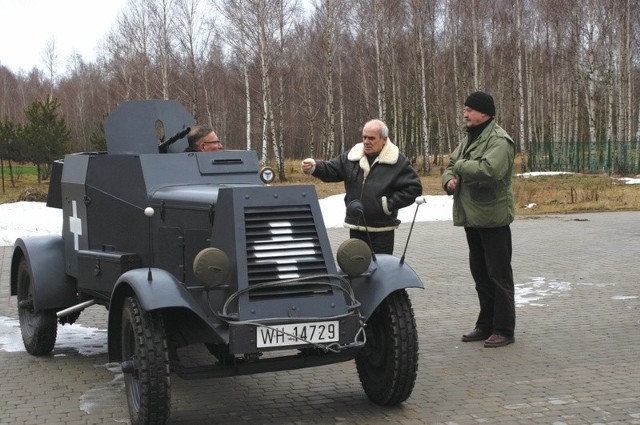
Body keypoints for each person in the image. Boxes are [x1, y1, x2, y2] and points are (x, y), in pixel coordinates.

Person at [442, 91, 516, 348]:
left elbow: (490, 170)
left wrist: (460, 168)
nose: (465, 113)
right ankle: (485, 325)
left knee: (499, 276)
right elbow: (451, 163)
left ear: (484, 113)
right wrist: (448, 180)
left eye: (469, 109)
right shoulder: (470, 138)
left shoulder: (499, 140)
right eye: (465, 109)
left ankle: (504, 329)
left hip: (493, 219)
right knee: (481, 276)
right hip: (473, 218)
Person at [302, 119, 422, 255]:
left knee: (380, 271)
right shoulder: (352, 156)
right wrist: (315, 167)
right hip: (356, 226)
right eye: (364, 137)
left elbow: (414, 188)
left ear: (384, 139)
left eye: (371, 138)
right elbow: (333, 169)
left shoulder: (397, 161)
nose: (366, 142)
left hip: (381, 229)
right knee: (357, 270)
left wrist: (387, 205)